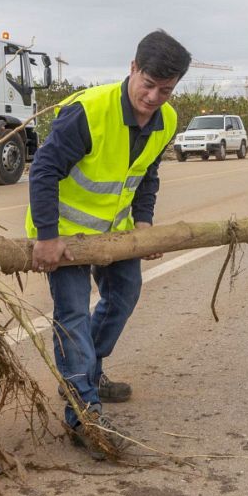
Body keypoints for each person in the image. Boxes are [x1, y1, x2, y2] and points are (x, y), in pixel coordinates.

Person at [26, 29, 190, 457]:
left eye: (166, 90)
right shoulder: (87, 111)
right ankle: (83, 413)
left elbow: (145, 175)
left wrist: (144, 224)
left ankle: (87, 372)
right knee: (73, 312)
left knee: (124, 295)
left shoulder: (166, 120)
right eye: (149, 84)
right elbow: (43, 171)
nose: (154, 97)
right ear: (132, 68)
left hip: (114, 232)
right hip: (63, 233)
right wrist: (46, 238)